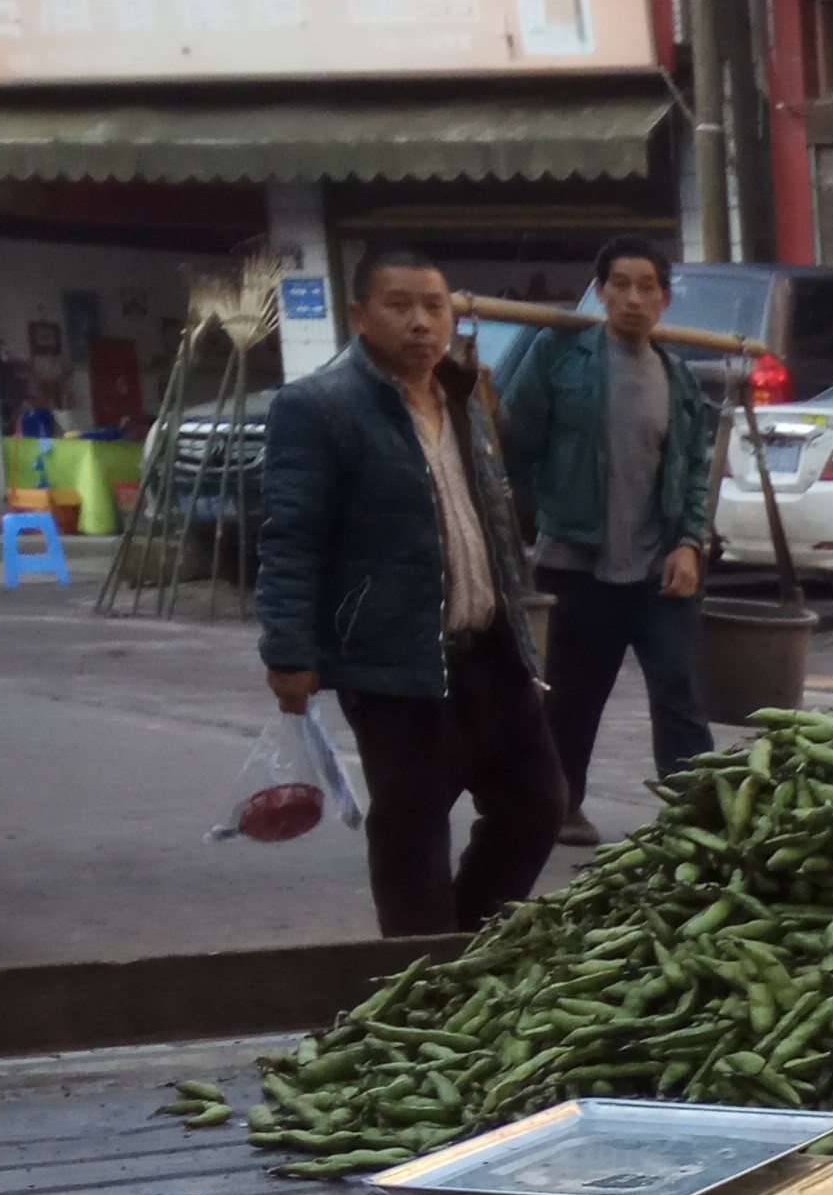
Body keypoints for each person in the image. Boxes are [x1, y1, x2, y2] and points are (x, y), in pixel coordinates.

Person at [256, 245, 559, 935]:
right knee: (413, 837)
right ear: (361, 316)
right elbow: (291, 536)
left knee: (537, 806)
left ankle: (466, 946)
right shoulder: (320, 406)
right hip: (396, 663)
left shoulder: (465, 395)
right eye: (399, 306)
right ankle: (418, 976)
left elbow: (495, 518)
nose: (421, 322)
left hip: (492, 652)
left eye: (433, 306)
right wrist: (288, 650)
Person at [500, 234, 717, 841]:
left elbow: (694, 471)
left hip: (658, 568)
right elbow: (514, 445)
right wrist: (534, 521)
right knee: (572, 696)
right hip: (577, 563)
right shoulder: (560, 357)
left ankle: (694, 810)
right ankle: (560, 805)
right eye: (620, 285)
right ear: (600, 292)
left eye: (646, 287)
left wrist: (689, 542)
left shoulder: (678, 377)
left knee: (677, 687)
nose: (632, 299)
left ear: (665, 299)